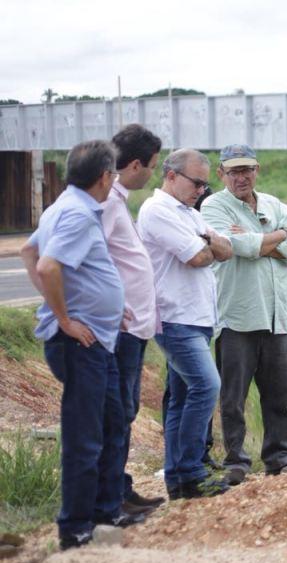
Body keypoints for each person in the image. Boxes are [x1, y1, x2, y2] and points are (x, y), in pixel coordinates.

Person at [19, 140, 137, 550]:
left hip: (97, 339)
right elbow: (47, 265)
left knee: (113, 420)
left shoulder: (64, 207)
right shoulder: (77, 215)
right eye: (114, 174)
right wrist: (65, 318)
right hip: (79, 344)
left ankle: (106, 509)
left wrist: (103, 307)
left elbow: (28, 250)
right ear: (105, 176)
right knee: (85, 434)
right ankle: (75, 527)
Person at [200, 144, 287, 485]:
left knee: (278, 395)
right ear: (221, 174)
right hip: (238, 316)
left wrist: (259, 242)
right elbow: (235, 247)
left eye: (247, 170)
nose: (241, 177)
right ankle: (236, 461)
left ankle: (279, 457)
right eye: (233, 171)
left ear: (257, 169)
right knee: (233, 398)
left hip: (277, 316)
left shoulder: (274, 203)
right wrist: (276, 239)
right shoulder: (214, 206)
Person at [139, 148, 233, 499]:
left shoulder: (187, 212)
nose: (201, 191)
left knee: (180, 399)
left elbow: (226, 249)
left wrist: (208, 243)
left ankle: (178, 479)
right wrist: (208, 244)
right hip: (174, 316)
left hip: (196, 317)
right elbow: (198, 257)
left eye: (205, 185)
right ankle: (192, 472)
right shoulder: (157, 211)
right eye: (197, 183)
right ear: (172, 175)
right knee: (207, 386)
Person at [101, 124, 167, 516]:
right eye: (153, 167)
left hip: (134, 328)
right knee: (117, 414)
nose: (153, 174)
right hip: (121, 328)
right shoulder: (108, 201)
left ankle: (119, 489)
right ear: (137, 164)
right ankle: (111, 499)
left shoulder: (117, 199)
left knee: (125, 411)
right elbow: (92, 260)